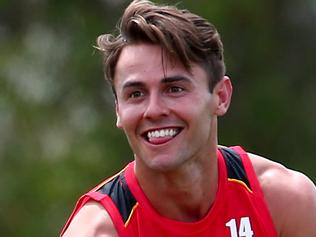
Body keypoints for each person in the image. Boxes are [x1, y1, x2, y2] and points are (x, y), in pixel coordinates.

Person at [59, 0, 316, 236]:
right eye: (136, 94)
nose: (153, 110)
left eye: (174, 89)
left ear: (221, 97)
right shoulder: (98, 230)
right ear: (118, 110)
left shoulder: (283, 201)